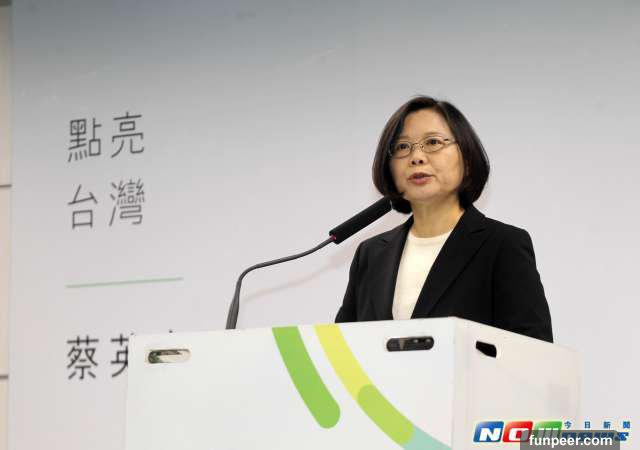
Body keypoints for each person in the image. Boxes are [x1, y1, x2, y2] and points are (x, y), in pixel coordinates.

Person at [335, 96, 553, 342]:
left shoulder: (502, 245)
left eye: (433, 142)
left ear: (467, 158)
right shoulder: (370, 254)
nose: (416, 157)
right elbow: (343, 348)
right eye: (402, 147)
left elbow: (534, 351)